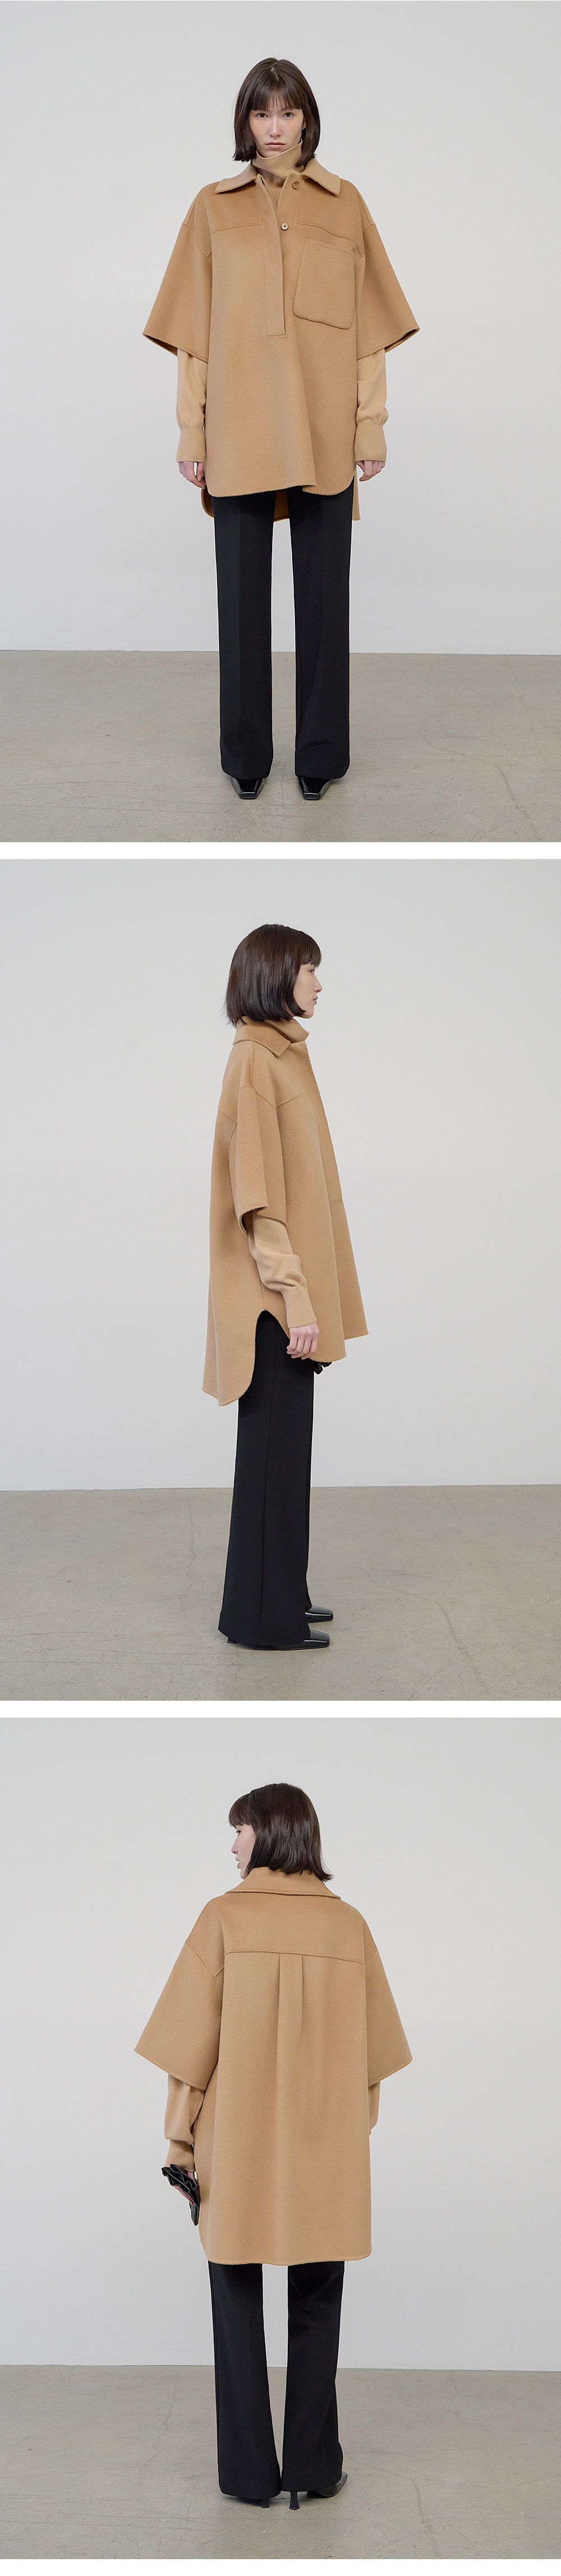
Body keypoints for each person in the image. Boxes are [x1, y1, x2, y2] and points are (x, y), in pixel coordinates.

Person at [144, 54, 419, 801]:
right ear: (245, 121)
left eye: (287, 112)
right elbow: (194, 336)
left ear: (307, 119)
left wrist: (370, 426)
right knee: (241, 608)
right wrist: (192, 432)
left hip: (325, 430)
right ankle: (246, 757)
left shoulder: (346, 205)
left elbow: (368, 332)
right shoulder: (212, 208)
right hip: (238, 428)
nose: (274, 127)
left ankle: (321, 757)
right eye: (262, 113)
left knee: (325, 605)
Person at [136, 1780, 412, 2511]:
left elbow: (187, 2057)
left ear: (270, 1832)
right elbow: (373, 2063)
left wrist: (181, 2144)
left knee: (234, 2298)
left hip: (236, 2148)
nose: (232, 1845)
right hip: (327, 2150)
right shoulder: (348, 1927)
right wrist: (339, 2132)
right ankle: (313, 2469)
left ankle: (249, 2474)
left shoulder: (222, 1920)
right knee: (319, 2300)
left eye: (240, 1830)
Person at [203, 921, 367, 1651]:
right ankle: (261, 1621)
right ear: (277, 975)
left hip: (289, 1296)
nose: (319, 984)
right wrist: (296, 1297)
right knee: (271, 1457)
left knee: (287, 1456)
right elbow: (259, 1202)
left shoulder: (285, 1054)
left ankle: (284, 1596)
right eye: (309, 970)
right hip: (273, 1303)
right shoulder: (255, 1062)